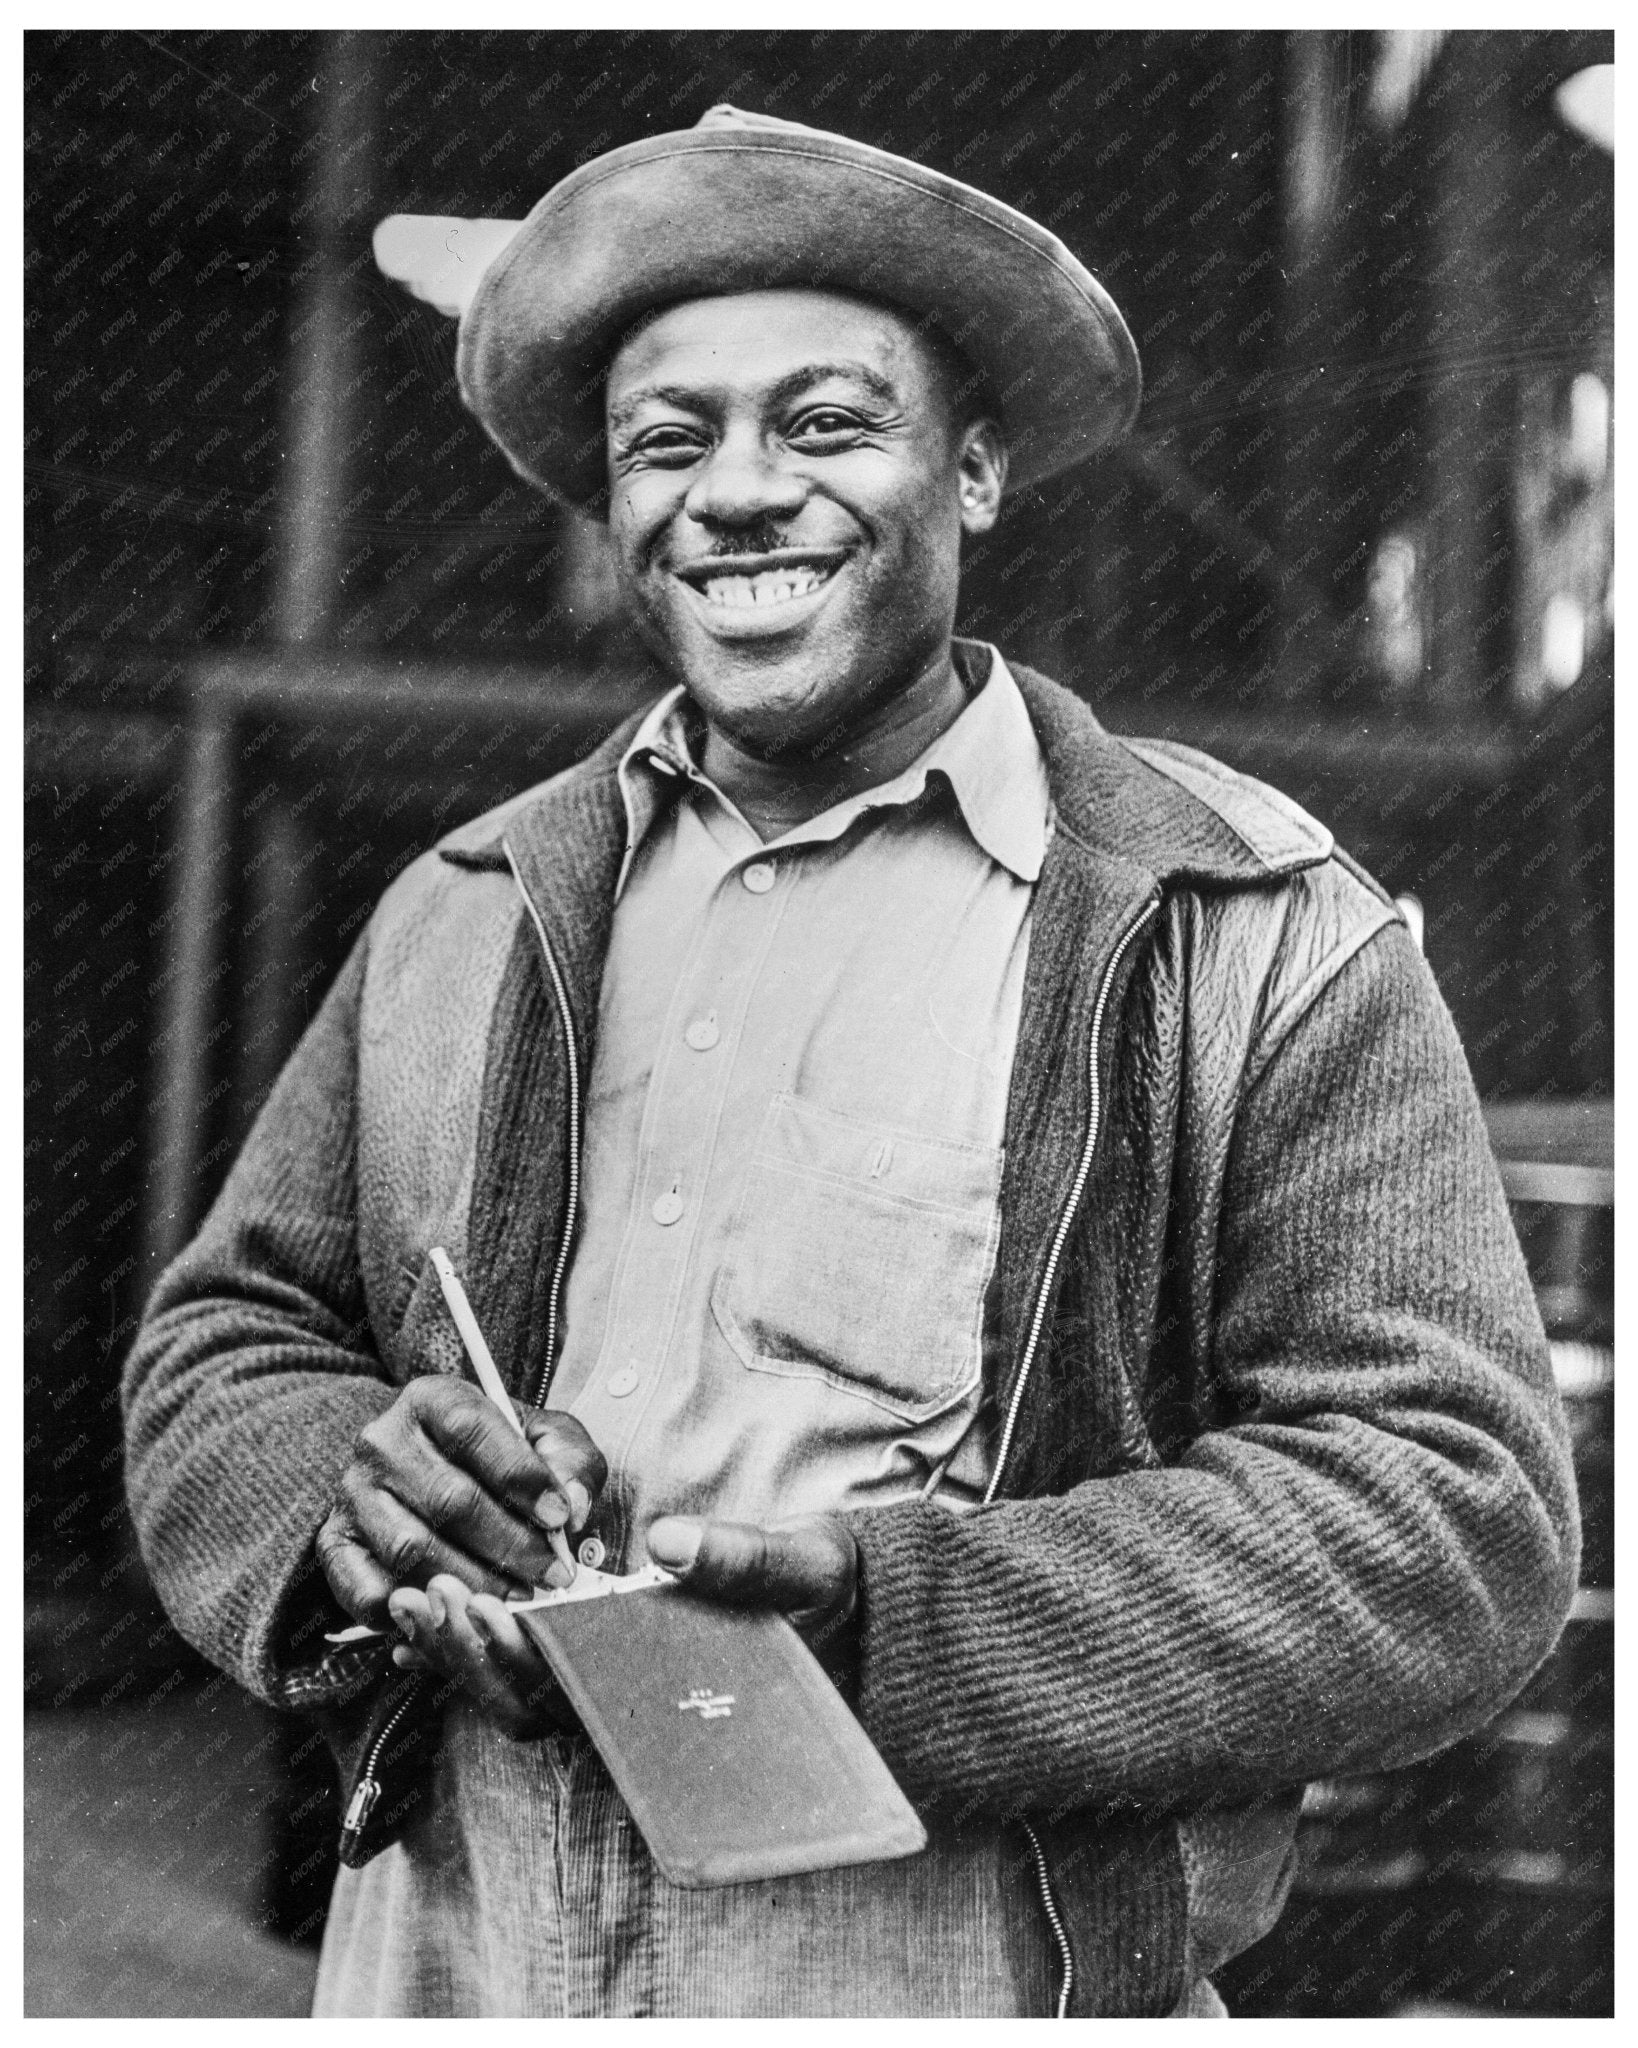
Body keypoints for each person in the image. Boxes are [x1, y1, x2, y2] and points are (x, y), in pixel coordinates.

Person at [123, 106, 1579, 2018]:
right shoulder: (466, 910)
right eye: (668, 441)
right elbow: (224, 1341)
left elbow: (1450, 1516)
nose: (733, 494)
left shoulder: (1242, 930)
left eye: (822, 425)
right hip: (452, 1962)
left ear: (972, 470)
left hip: (952, 1970)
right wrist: (348, 1498)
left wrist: (899, 1622)